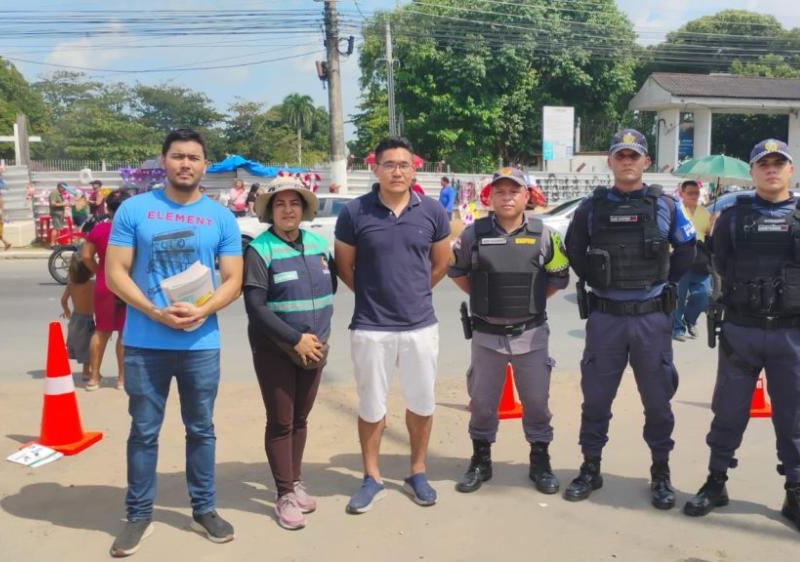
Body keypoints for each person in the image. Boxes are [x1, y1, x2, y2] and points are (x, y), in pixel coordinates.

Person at [684, 139, 800, 539]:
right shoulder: (732, 214)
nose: (771, 170)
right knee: (728, 410)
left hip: (792, 332)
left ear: (791, 170)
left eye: (779, 163)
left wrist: (797, 297)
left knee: (792, 413)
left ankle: (796, 493)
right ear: (753, 172)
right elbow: (715, 260)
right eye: (763, 164)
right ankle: (716, 482)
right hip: (742, 330)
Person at [105, 129, 243, 556]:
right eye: (178, 156)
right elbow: (115, 272)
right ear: (163, 161)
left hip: (200, 343)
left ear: (205, 165)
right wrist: (152, 311)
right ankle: (138, 514)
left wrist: (203, 310)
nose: (186, 164)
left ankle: (204, 508)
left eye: (194, 158)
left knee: (201, 429)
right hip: (146, 341)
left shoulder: (221, 218)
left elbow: (233, 279)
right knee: (143, 431)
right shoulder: (135, 210)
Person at [563, 129, 696, 509]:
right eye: (620, 155)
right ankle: (591, 467)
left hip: (651, 319)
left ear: (645, 162)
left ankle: (660, 472)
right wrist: (597, 280)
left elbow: (687, 249)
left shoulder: (667, 206)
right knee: (596, 399)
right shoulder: (591, 208)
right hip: (606, 318)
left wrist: (667, 283)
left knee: (657, 401)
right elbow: (574, 249)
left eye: (633, 156)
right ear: (610, 162)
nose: (627, 161)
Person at [334, 136, 451, 514]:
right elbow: (345, 267)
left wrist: (414, 293)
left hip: (420, 326)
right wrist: (374, 296)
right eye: (389, 164)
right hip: (371, 326)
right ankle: (372, 477)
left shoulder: (432, 211)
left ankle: (417, 472)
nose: (397, 171)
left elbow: (440, 265)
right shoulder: (354, 213)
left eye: (404, 164)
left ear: (414, 168)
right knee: (371, 405)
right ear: (375, 168)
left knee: (422, 401)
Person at [448, 167, 570, 496]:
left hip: (531, 335)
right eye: (499, 191)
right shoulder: (473, 233)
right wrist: (484, 299)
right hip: (487, 337)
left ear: (526, 196)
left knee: (536, 402)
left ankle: (540, 461)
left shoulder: (546, 235)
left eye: (514, 191)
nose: (506, 197)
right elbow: (457, 272)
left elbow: (558, 279)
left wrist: (528, 302)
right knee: (483, 403)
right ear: (490, 196)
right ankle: (480, 460)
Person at [243, 177, 335, 530]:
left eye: (293, 203)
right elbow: (256, 306)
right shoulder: (259, 249)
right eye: (279, 204)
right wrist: (295, 339)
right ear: (270, 211)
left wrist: (316, 338)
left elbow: (330, 291)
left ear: (303, 208)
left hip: (315, 349)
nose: (287, 210)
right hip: (275, 349)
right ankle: (283, 493)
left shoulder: (317, 244)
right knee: (281, 421)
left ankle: (295, 480)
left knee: (300, 419)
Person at [82, 190, 131, 391]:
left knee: (101, 331)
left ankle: (94, 378)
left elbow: (85, 256)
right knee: (125, 333)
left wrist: (101, 272)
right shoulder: (133, 229)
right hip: (128, 284)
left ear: (108, 208)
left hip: (105, 283)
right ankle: (122, 379)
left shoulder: (100, 229)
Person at [672, 180, 712, 342]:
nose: (694, 196)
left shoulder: (704, 212)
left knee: (704, 294)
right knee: (678, 297)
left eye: (696, 193)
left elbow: (709, 234)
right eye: (690, 193)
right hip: (680, 260)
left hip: (700, 261)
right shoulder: (676, 211)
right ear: (681, 194)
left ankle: (690, 319)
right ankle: (677, 328)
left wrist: (714, 224)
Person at [61, 258, 96, 386]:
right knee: (89, 346)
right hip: (87, 320)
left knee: (75, 343)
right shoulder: (93, 284)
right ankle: (87, 371)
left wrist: (66, 311)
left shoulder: (71, 284)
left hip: (75, 318)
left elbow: (63, 299)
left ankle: (63, 366)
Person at [49, 182, 69, 247]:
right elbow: (52, 203)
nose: (65, 190)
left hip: (59, 213)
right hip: (56, 213)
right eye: (64, 188)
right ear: (60, 187)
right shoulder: (54, 193)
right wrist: (63, 204)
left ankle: (56, 243)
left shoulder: (59, 194)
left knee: (58, 228)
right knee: (55, 228)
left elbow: (58, 203)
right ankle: (52, 244)